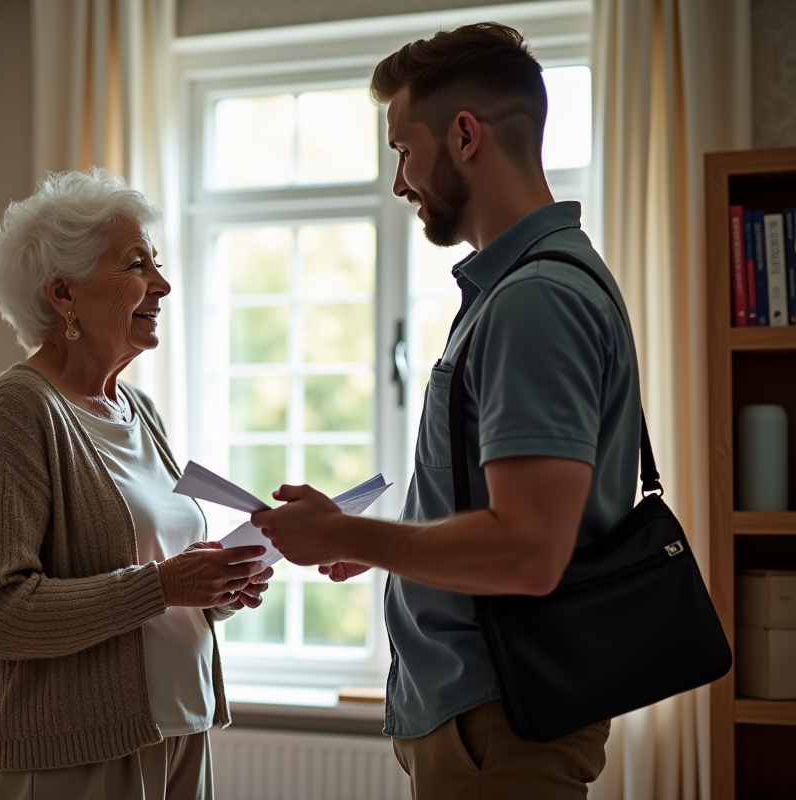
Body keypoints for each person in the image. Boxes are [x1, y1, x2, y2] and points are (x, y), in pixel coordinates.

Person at [251, 23, 639, 799]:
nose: (398, 182)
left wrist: (341, 532)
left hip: (496, 726)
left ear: (464, 136)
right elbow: (505, 515)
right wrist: (387, 548)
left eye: (403, 149)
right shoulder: (523, 287)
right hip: (486, 721)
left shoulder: (535, 301)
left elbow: (529, 550)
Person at [0, 168, 272, 800]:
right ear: (64, 294)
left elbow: (156, 583)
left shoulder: (137, 410)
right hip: (76, 751)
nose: (163, 284)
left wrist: (218, 587)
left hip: (180, 728)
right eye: (136, 266)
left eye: (154, 263)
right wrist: (166, 584)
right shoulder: (18, 412)